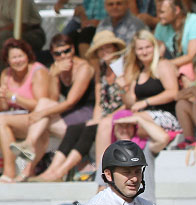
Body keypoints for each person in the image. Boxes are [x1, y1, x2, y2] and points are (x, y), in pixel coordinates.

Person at [34, 31, 127, 182]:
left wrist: (106, 117)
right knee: (76, 128)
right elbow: (99, 101)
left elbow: (128, 100)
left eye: (108, 48)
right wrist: (97, 118)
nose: (104, 52)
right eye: (101, 49)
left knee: (87, 129)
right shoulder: (102, 69)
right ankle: (51, 170)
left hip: (121, 113)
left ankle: (59, 172)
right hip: (103, 113)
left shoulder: (123, 67)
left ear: (115, 47)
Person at [6, 35, 96, 182]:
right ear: (52, 54)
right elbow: (53, 98)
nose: (63, 56)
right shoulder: (56, 67)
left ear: (73, 49)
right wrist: (54, 75)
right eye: (58, 53)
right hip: (70, 115)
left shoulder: (83, 68)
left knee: (42, 114)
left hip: (86, 113)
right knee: (43, 112)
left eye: (66, 51)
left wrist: (41, 113)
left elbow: (71, 102)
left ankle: (30, 161)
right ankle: (28, 167)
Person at [0, 40, 50, 181]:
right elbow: (4, 107)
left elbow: (40, 105)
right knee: (2, 122)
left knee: (1, 122)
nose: (18, 61)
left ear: (27, 55)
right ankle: (9, 172)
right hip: (15, 118)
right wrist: (2, 98)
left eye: (20, 56)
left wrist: (14, 97)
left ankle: (8, 172)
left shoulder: (38, 71)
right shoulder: (6, 74)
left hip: (38, 119)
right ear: (8, 60)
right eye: (14, 58)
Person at [122, 30, 180, 134]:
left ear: (154, 47)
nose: (144, 52)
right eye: (140, 49)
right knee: (116, 121)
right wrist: (124, 88)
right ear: (134, 51)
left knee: (137, 120)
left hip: (166, 115)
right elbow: (131, 102)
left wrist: (146, 102)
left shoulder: (163, 65)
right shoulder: (138, 71)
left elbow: (173, 92)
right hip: (143, 114)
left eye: (148, 47)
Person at [154, 0, 196, 73]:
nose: (159, 16)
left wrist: (165, 64)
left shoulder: (195, 22)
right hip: (174, 66)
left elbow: (192, 57)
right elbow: (158, 52)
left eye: (162, 12)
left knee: (184, 70)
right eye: (158, 12)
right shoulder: (161, 26)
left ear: (176, 10)